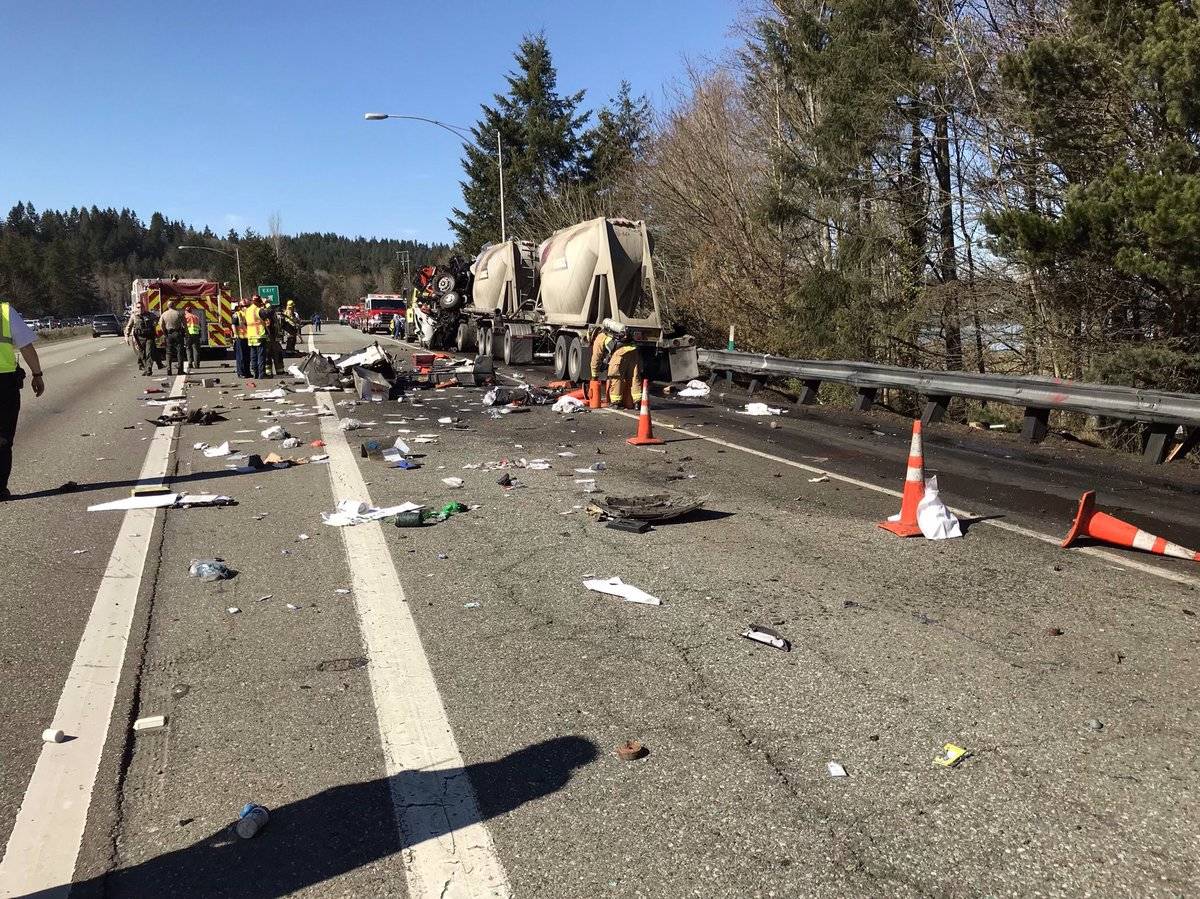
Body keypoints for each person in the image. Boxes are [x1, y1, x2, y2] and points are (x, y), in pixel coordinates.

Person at [1, 301, 46, 500]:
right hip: (4, 384)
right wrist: (37, 374)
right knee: (3, 438)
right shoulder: (5, 312)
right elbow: (26, 346)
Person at [607, 330, 642, 408]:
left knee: (616, 377)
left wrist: (594, 374)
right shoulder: (613, 335)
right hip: (634, 351)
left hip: (620, 352)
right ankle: (637, 403)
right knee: (634, 377)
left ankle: (615, 403)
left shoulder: (600, 339)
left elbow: (596, 357)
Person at [126, 302, 160, 375]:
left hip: (149, 337)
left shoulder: (150, 315)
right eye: (138, 307)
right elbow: (129, 326)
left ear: (144, 307)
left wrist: (154, 324)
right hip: (139, 338)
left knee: (149, 353)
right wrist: (126, 337)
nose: (140, 309)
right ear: (135, 308)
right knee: (142, 354)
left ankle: (149, 369)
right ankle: (145, 368)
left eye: (141, 307)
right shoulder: (134, 316)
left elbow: (158, 319)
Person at [159, 301, 186, 375]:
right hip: (178, 333)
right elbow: (184, 324)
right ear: (174, 305)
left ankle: (169, 370)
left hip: (169, 334)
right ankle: (180, 370)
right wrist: (186, 332)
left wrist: (164, 332)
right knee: (179, 352)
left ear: (168, 306)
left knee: (168, 352)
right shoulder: (178, 313)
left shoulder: (164, 314)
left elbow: (161, 324)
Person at [243, 297, 267, 379]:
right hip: (259, 335)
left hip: (250, 336)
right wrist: (265, 305)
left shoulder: (247, 310)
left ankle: (255, 374)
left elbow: (245, 323)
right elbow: (267, 316)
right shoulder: (258, 310)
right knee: (261, 356)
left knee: (253, 356)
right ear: (257, 302)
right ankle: (261, 374)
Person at [231, 300, 250, 378]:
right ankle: (241, 373)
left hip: (248, 337)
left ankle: (247, 372)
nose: (245, 307)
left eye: (247, 306)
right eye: (243, 306)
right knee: (241, 356)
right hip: (240, 337)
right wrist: (235, 334)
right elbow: (233, 325)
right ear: (240, 307)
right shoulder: (237, 314)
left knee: (247, 356)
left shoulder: (249, 314)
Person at [183, 306, 202, 371]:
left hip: (188, 335)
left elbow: (183, 326)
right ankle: (197, 364)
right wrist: (199, 334)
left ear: (186, 311)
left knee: (188, 349)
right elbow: (199, 326)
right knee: (196, 349)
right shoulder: (196, 317)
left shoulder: (185, 317)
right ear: (191, 311)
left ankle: (190, 363)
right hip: (195, 334)